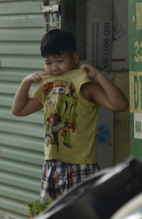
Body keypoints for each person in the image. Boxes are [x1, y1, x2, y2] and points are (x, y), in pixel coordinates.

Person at [11, 29, 129, 201]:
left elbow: (120, 105)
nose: (54, 67)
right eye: (48, 62)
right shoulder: (47, 87)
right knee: (49, 218)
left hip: (81, 165)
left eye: (59, 60)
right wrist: (26, 82)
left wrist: (98, 75)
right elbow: (18, 110)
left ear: (74, 58)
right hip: (51, 164)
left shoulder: (84, 84)